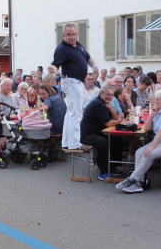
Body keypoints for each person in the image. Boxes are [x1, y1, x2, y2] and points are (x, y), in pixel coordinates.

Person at [116, 89, 161, 193]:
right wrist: (153, 115)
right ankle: (138, 183)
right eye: (156, 99)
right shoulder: (160, 110)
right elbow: (147, 128)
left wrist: (152, 147)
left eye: (158, 99)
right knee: (139, 152)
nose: (156, 101)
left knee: (150, 153)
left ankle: (132, 179)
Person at [48, 22, 99, 150]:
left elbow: (88, 58)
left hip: (78, 82)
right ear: (63, 35)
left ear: (77, 34)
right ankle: (75, 144)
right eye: (69, 35)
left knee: (70, 114)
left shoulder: (78, 46)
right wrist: (52, 69)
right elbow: (56, 64)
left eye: (74, 34)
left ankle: (66, 142)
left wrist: (95, 66)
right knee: (76, 114)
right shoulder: (62, 49)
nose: (72, 37)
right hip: (71, 82)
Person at [80, 85, 123, 180]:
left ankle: (112, 166)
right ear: (100, 94)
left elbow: (114, 119)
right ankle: (103, 171)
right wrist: (119, 121)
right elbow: (108, 123)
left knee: (117, 138)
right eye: (107, 94)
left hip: (99, 132)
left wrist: (111, 109)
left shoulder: (106, 103)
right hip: (87, 135)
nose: (110, 97)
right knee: (103, 142)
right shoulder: (97, 104)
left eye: (112, 95)